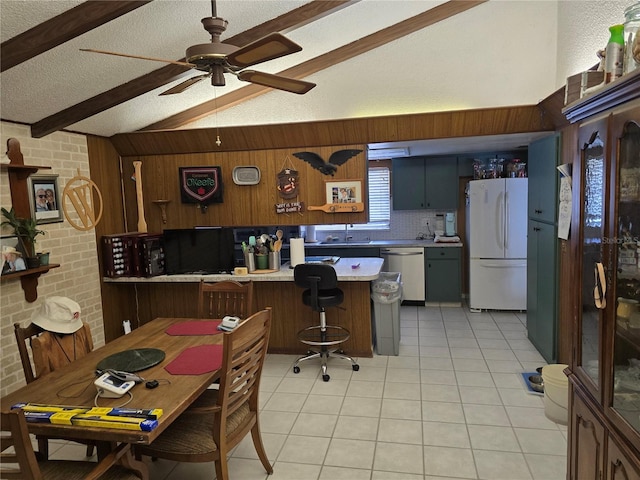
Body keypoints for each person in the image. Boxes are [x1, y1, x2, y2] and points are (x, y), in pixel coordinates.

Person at [29, 296, 94, 378]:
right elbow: (44, 379)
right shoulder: (43, 342)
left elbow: (90, 356)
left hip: (82, 375)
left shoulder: (81, 331)